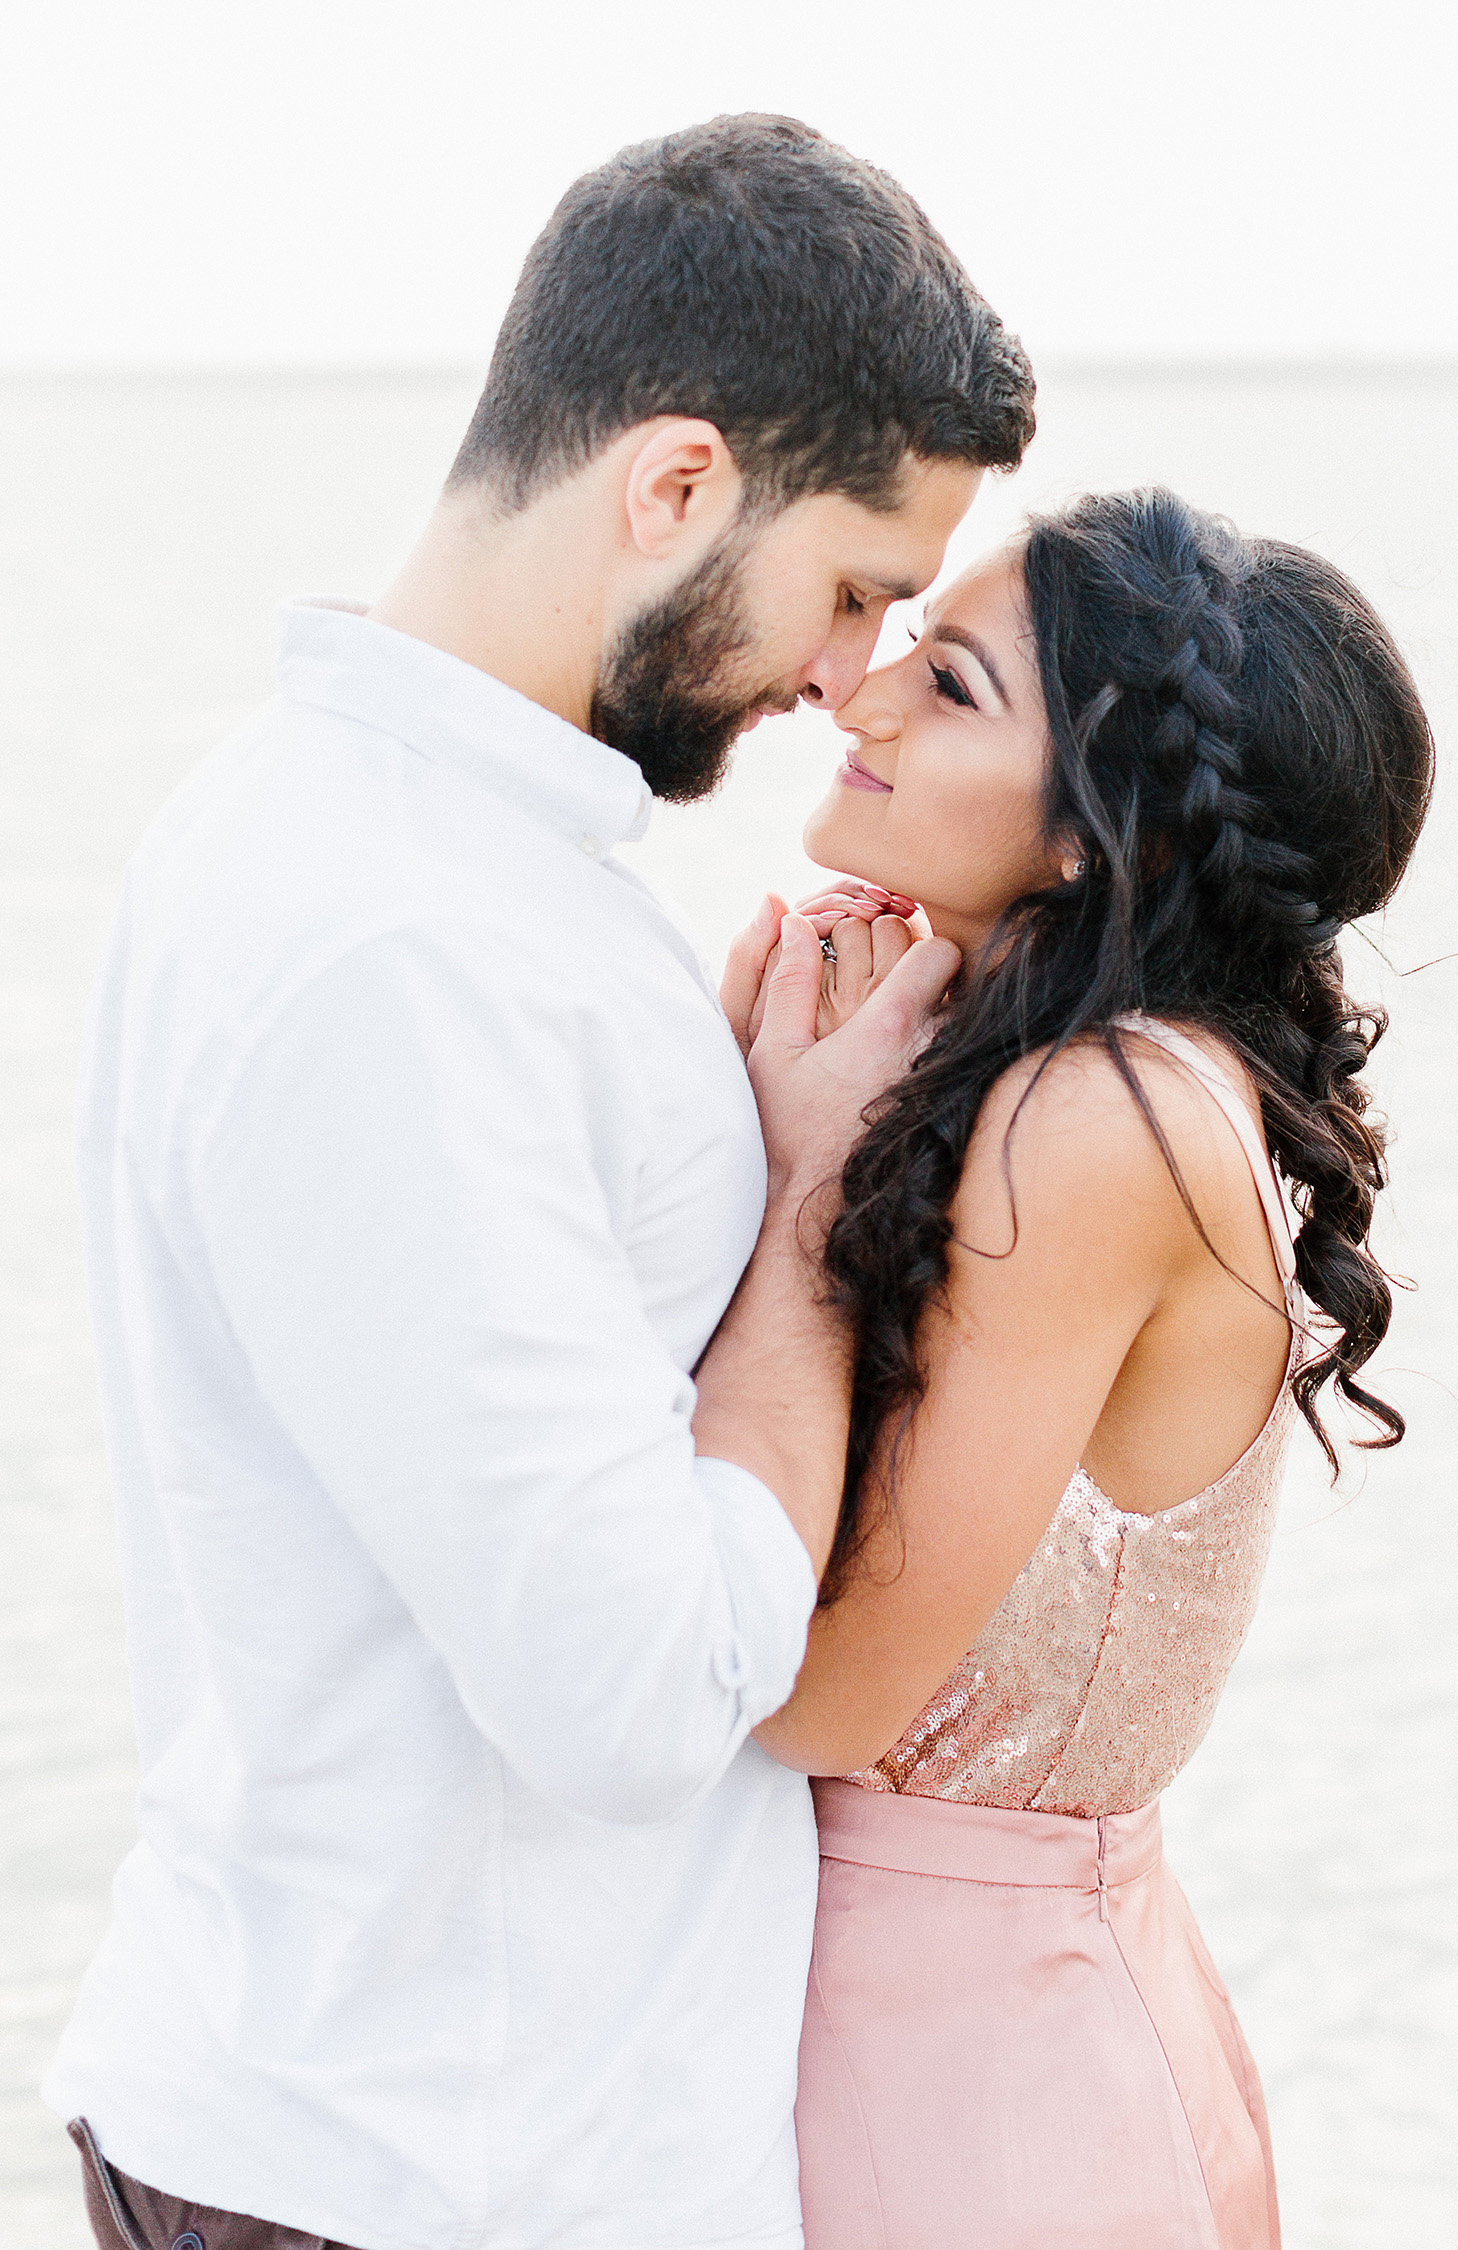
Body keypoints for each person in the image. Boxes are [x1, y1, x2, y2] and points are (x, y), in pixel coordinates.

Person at [46, 116, 1034, 2250]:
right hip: (438, 2172)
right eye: (855, 585)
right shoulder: (400, 937)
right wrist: (804, 1213)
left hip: (417, 2124)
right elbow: (633, 1693)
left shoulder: (415, 856)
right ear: (675, 486)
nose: (853, 674)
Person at [724, 488, 1433, 2248]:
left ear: (1092, 837)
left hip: (962, 2092)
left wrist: (802, 1180)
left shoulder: (1099, 1120)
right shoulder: (1087, 1082)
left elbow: (818, 1698)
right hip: (996, 2029)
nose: (860, 693)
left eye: (950, 682)